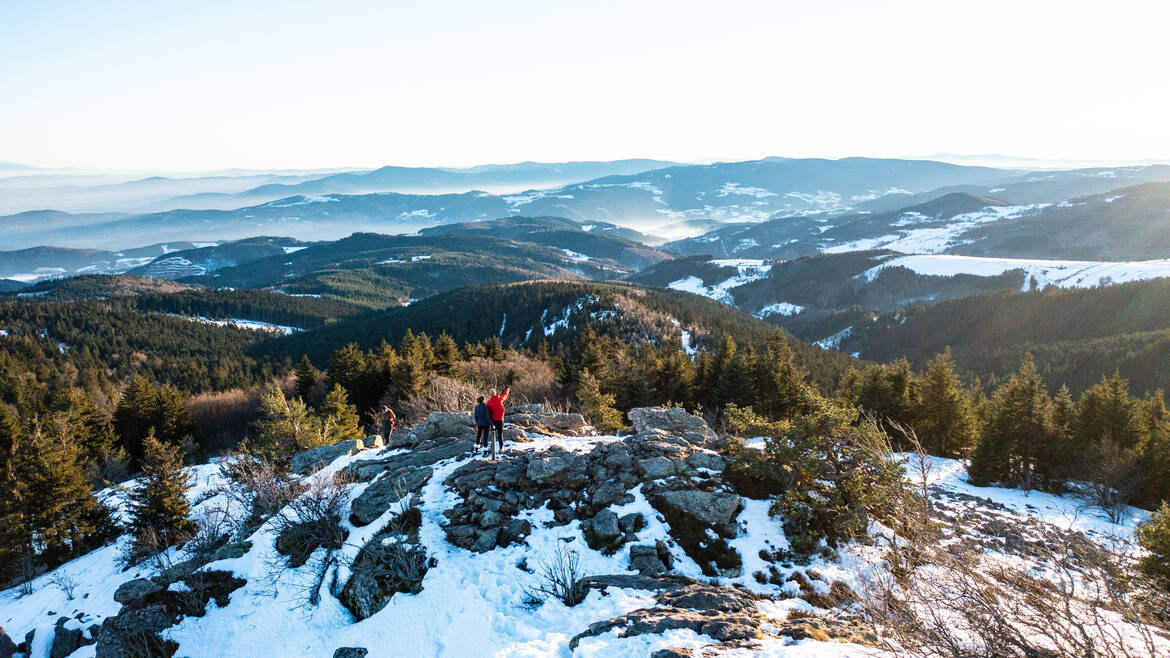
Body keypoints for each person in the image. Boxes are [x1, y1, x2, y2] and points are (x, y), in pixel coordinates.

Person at [486, 386, 510, 455]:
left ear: (490, 394)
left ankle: (492, 447)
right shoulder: (500, 399)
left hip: (493, 421)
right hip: (500, 419)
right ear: (495, 393)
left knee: (493, 434)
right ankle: (501, 448)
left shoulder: (489, 402)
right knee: (500, 434)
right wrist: (507, 389)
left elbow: (488, 412)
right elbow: (505, 395)